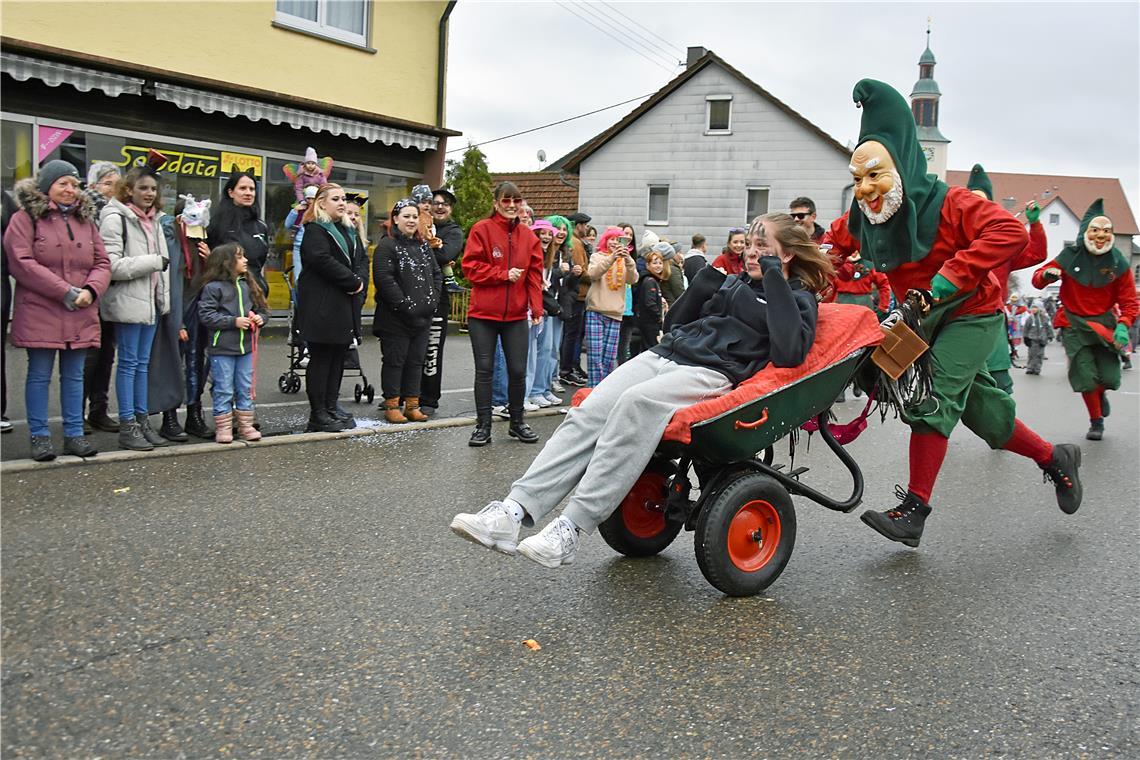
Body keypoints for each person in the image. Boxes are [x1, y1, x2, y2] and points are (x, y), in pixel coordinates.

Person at [449, 213, 829, 568]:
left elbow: (789, 351)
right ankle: (512, 512)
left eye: (763, 246)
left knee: (635, 405)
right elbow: (678, 322)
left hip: (712, 372)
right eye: (749, 244)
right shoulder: (733, 283)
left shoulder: (796, 298)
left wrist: (775, 278)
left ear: (787, 253)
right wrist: (702, 286)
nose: (751, 252)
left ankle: (571, 528)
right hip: (667, 354)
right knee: (592, 407)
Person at [837, 79, 1081, 547]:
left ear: (902, 166)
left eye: (875, 175)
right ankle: (1055, 458)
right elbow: (829, 244)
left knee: (933, 404)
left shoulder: (952, 203)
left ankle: (914, 509)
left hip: (971, 314)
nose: (865, 189)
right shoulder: (865, 214)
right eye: (858, 178)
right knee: (987, 419)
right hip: (921, 321)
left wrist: (946, 280)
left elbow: (1011, 233)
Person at [4, 161, 111, 460]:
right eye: (63, 183)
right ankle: (39, 437)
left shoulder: (86, 221)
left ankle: (74, 435)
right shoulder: (25, 218)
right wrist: (64, 291)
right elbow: (21, 262)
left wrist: (91, 290)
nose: (70, 190)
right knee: (39, 375)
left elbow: (102, 262)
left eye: (75, 184)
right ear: (47, 185)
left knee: (74, 376)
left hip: (81, 309)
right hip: (41, 308)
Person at [1031, 199, 1137, 440]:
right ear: (1086, 232)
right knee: (1086, 378)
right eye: (1096, 230)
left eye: (1106, 231)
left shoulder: (1118, 262)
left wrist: (1124, 325)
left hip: (1104, 325)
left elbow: (1130, 300)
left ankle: (1101, 395)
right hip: (1073, 324)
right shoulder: (1070, 255)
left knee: (1109, 378)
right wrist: (1048, 275)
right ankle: (1096, 421)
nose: (1101, 235)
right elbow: (1037, 279)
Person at [462, 181, 544, 447]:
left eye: (516, 201)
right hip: (483, 315)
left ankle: (517, 422)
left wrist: (537, 308)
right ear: (496, 203)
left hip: (516, 315)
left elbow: (534, 276)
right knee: (484, 370)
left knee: (518, 370)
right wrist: (502, 275)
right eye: (506, 201)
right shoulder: (481, 230)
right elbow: (471, 268)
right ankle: (482, 426)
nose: (511, 205)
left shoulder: (529, 237)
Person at [99, 165, 172, 452]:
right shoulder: (114, 216)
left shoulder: (155, 219)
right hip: (128, 302)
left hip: (150, 302)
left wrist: (163, 298)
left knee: (142, 365)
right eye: (143, 188)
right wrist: (152, 262)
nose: (149, 194)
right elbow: (111, 264)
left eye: (153, 189)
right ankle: (128, 425)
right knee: (129, 365)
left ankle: (142, 422)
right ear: (129, 189)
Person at [296, 183, 369, 432]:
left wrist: (358, 282)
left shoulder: (346, 230)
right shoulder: (315, 229)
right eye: (335, 199)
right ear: (321, 203)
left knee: (338, 357)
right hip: (322, 305)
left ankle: (330, 405)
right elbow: (320, 259)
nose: (341, 203)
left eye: (342, 199)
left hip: (342, 305)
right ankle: (318, 413)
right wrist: (352, 281)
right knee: (322, 359)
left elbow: (359, 259)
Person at [373, 199, 442, 423]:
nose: (412, 220)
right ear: (395, 219)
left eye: (415, 216)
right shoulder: (387, 245)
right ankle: (392, 403)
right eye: (406, 216)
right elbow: (384, 279)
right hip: (395, 317)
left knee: (416, 361)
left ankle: (413, 404)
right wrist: (404, 305)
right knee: (395, 360)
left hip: (423, 317)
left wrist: (433, 301)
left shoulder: (423, 245)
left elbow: (436, 275)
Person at [197, 243, 268, 443]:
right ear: (227, 263)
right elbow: (206, 315)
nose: (245, 260)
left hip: (246, 348)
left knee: (245, 387)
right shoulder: (212, 288)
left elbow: (262, 309)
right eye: (240, 257)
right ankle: (224, 428)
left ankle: (245, 426)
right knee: (223, 388)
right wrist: (232, 322)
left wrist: (260, 318)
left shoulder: (248, 284)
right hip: (222, 349)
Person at [81, 161, 122, 433]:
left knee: (107, 353)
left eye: (117, 185)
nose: (112, 190)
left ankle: (99, 408)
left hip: (112, 293)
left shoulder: (118, 213)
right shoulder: (86, 212)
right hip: (87, 293)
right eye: (108, 184)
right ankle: (77, 412)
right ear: (94, 186)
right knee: (88, 357)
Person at [419, 187, 465, 416]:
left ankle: (428, 398)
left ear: (450, 208)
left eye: (444, 203)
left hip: (438, 299)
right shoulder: (418, 223)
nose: (439, 206)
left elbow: (445, 255)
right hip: (413, 296)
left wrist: (419, 249)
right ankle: (406, 395)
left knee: (432, 350)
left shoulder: (454, 232)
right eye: (435, 202)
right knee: (409, 349)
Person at [585, 227, 639, 385]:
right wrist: (612, 258)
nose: (615, 243)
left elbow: (633, 279)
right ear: (605, 240)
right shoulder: (597, 256)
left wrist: (628, 260)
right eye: (612, 239)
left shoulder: (626, 261)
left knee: (609, 357)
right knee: (595, 356)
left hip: (615, 313)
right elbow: (593, 274)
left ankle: (604, 390)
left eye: (618, 240)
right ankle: (592, 390)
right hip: (596, 311)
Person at [207, 170, 271, 298]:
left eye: (252, 189)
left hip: (256, 294)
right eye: (242, 188)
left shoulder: (261, 226)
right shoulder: (216, 223)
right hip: (226, 297)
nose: (248, 193)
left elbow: (259, 262)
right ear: (231, 192)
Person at [525, 219, 563, 409]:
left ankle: (540, 389)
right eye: (543, 233)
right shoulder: (530, 254)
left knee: (547, 351)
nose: (547, 237)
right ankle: (530, 392)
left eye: (550, 234)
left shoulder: (550, 258)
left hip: (545, 308)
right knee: (532, 353)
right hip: (532, 308)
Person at [559, 211, 592, 387]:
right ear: (578, 226)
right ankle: (567, 369)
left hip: (579, 295)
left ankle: (573, 367)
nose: (586, 228)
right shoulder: (577, 244)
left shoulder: (577, 243)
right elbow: (580, 270)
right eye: (584, 225)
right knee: (572, 335)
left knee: (574, 335)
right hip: (578, 295)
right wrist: (594, 275)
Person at [547, 215, 577, 395]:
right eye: (558, 228)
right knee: (545, 348)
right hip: (546, 304)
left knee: (554, 346)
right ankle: (541, 385)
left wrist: (575, 274)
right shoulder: (545, 251)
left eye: (565, 229)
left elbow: (571, 285)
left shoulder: (566, 253)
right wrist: (559, 271)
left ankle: (552, 379)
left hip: (560, 306)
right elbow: (543, 278)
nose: (562, 232)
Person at [635, 247, 669, 351]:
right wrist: (659, 317)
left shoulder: (654, 280)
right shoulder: (650, 281)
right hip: (650, 323)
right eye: (654, 263)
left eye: (660, 263)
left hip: (649, 322)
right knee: (651, 349)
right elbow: (649, 302)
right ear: (647, 265)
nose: (658, 266)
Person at [1021, 304, 1053, 375]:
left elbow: (1049, 327)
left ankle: (1037, 369)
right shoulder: (1030, 318)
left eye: (1036, 308)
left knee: (1039, 355)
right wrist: (1025, 337)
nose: (1034, 309)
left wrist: (1050, 335)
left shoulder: (1045, 318)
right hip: (1032, 339)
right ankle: (1030, 368)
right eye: (1033, 308)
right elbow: (1026, 328)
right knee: (1031, 354)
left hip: (1042, 339)